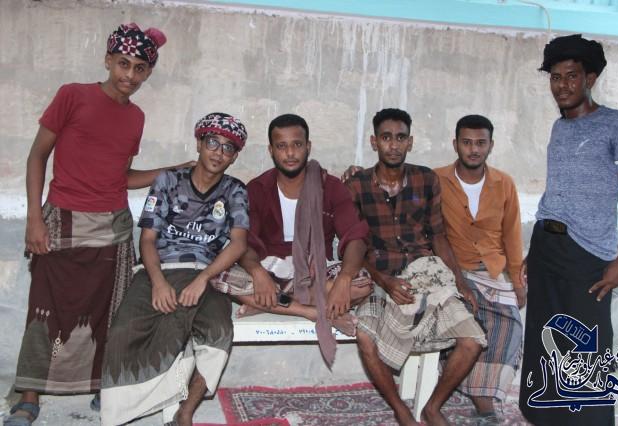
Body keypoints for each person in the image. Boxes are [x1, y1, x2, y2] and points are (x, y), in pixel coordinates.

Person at [5, 23, 191, 426]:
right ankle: (28, 396)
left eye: (140, 68)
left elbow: (120, 177)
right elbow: (37, 156)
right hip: (63, 223)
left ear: (148, 73)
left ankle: (101, 388)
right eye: (123, 63)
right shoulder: (72, 96)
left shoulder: (136, 117)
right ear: (108, 61)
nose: (130, 75)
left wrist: (171, 170)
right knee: (45, 310)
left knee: (107, 313)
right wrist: (35, 218)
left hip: (114, 229)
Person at [519, 34, 618, 426]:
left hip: (588, 254)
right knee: (545, 341)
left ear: (590, 78)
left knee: (586, 348)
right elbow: (556, 192)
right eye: (555, 77)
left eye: (571, 76)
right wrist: (533, 251)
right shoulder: (559, 128)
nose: (562, 85)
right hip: (547, 248)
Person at [100, 112, 249, 426]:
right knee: (124, 330)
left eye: (228, 148)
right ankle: (127, 406)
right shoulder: (168, 181)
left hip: (206, 273)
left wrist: (204, 278)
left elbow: (238, 244)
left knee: (218, 331)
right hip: (160, 268)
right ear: (199, 143)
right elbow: (148, 239)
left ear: (235, 156)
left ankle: (185, 412)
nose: (218, 152)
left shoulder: (235, 190)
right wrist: (157, 282)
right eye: (212, 142)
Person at [345, 108, 486, 426]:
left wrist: (460, 283)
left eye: (400, 138)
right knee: (365, 338)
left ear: (410, 142)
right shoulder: (357, 186)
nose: (393, 145)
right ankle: (401, 410)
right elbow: (353, 245)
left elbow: (438, 235)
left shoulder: (426, 180)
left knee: (472, 339)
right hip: (378, 276)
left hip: (426, 273)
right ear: (374, 142)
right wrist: (384, 281)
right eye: (386, 138)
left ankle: (432, 407)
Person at [212, 113, 371, 366]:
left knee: (361, 283)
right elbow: (244, 241)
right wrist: (258, 273)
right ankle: (313, 312)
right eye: (281, 146)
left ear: (308, 147)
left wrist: (344, 279)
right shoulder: (257, 189)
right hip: (271, 268)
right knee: (217, 274)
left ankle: (269, 302)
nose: (290, 153)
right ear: (271, 150)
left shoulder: (330, 187)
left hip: (316, 270)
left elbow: (356, 237)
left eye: (297, 144)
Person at [434, 114, 524, 425]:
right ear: (455, 144)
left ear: (491, 145)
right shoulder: (436, 179)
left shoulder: (504, 183)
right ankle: (484, 404)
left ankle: (480, 391)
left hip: (493, 272)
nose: (473, 149)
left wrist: (518, 283)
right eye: (467, 142)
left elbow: (512, 235)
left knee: (509, 326)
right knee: (464, 321)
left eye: (480, 143)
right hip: (452, 271)